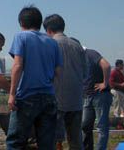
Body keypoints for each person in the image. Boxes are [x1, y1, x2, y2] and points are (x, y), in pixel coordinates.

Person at [6, 5, 63, 150]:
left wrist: (12, 94)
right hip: (48, 96)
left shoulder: (21, 37)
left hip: (26, 96)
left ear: (21, 23)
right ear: (39, 23)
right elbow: (58, 72)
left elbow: (18, 65)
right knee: (46, 143)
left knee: (15, 142)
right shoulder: (52, 42)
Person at [43, 14, 86, 150]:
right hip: (76, 100)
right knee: (75, 140)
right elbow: (85, 72)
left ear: (48, 30)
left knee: (54, 140)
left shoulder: (49, 44)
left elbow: (45, 73)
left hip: (56, 100)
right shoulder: (77, 45)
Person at [81, 48, 112, 150]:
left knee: (101, 126)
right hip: (87, 95)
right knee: (85, 125)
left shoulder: (90, 53)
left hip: (100, 95)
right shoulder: (78, 57)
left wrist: (105, 83)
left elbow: (106, 65)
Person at [109, 59, 124, 126]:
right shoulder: (113, 72)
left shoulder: (120, 72)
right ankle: (117, 123)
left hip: (121, 91)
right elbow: (111, 83)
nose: (123, 65)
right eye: (122, 64)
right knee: (117, 107)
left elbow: (123, 83)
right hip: (115, 90)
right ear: (119, 65)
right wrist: (120, 85)